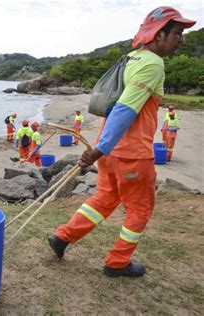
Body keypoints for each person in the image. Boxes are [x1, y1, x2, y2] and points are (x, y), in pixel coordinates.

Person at [48, 6, 195, 278]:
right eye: (177, 33)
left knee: (104, 199)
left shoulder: (130, 58)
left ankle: (63, 237)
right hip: (131, 154)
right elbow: (125, 109)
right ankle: (117, 263)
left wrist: (101, 148)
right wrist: (98, 150)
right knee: (140, 209)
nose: (181, 39)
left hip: (110, 151)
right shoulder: (153, 63)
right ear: (158, 35)